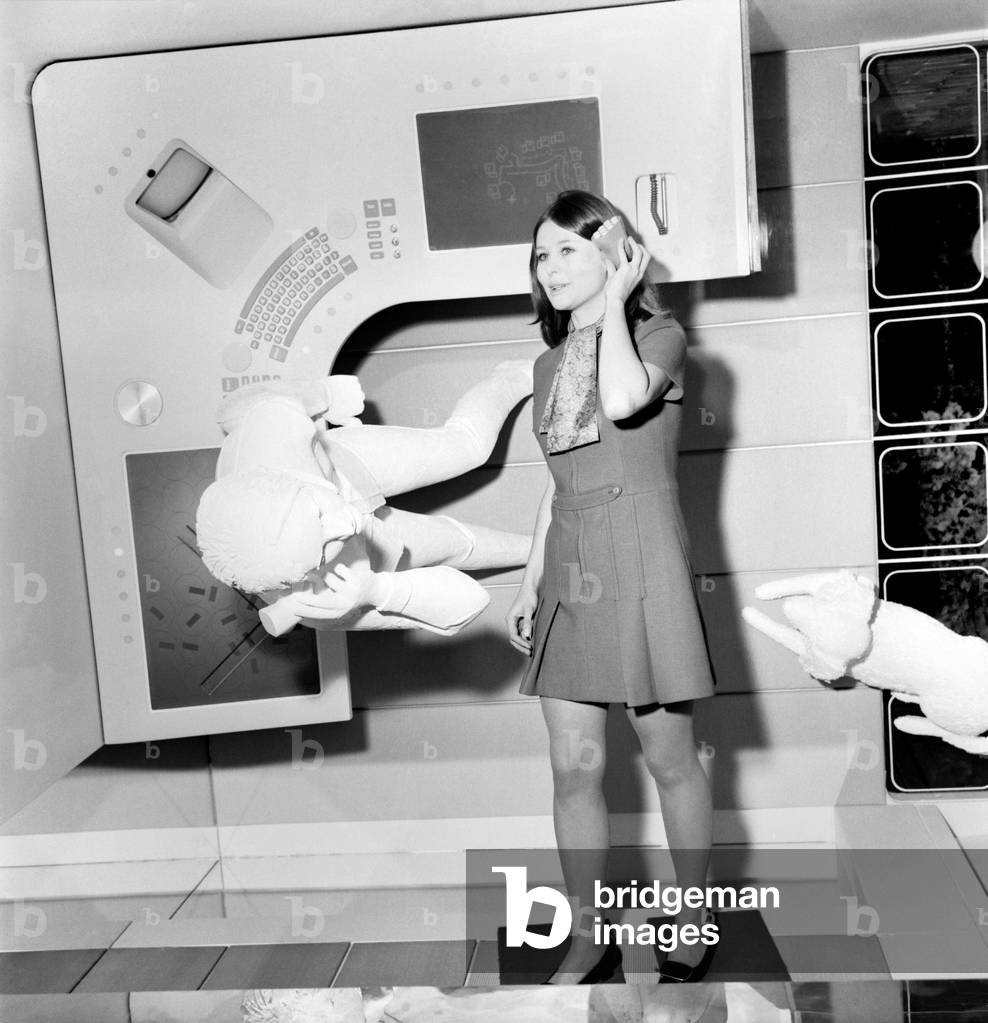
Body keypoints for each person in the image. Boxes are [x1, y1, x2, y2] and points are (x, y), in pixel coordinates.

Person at [506, 191, 717, 984]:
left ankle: (692, 919)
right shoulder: (545, 363)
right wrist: (531, 580)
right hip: (572, 559)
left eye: (566, 249)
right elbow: (558, 479)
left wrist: (620, 309)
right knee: (573, 766)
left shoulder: (660, 334)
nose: (549, 267)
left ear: (615, 253)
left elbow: (626, 400)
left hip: (642, 557)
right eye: (539, 255)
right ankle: (589, 932)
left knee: (670, 761)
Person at [196, 362, 533, 635]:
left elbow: (230, 409)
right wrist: (377, 591)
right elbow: (471, 603)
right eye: (322, 547)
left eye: (317, 515)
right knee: (456, 546)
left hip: (343, 467)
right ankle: (541, 549)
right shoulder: (319, 601)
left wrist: (324, 393)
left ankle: (513, 375)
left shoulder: (270, 434)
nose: (347, 523)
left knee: (467, 448)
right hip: (365, 558)